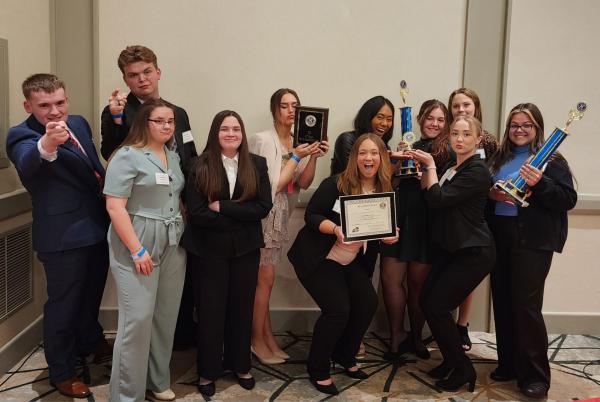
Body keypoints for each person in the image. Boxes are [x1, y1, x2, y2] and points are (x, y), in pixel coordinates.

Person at [6, 74, 110, 399]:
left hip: (97, 225)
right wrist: (48, 144)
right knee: (63, 305)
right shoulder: (21, 135)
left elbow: (93, 167)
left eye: (60, 102)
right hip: (62, 237)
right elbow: (28, 161)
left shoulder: (78, 123)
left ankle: (90, 340)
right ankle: (62, 371)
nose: (54, 111)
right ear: (28, 106)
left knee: (92, 292)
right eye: (44, 105)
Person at [101, 45, 198, 350]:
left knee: (176, 292)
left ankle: (173, 347)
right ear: (126, 80)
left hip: (177, 212)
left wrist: (190, 200)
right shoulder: (118, 111)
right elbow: (112, 155)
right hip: (142, 217)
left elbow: (189, 154)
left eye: (146, 72)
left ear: (158, 72)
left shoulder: (178, 112)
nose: (141, 79)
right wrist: (117, 120)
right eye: (133, 75)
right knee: (142, 303)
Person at [289, 133, 398, 395]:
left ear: (382, 158)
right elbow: (312, 216)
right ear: (354, 158)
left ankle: (345, 356)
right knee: (338, 310)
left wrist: (391, 235)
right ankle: (318, 369)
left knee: (367, 303)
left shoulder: (385, 189)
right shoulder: (335, 184)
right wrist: (336, 229)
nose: (368, 158)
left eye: (374, 153)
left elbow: (383, 229)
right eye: (362, 153)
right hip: (320, 258)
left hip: (350, 262)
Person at [180, 110, 272, 396]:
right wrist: (240, 216)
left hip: (245, 250)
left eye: (236, 129)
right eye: (224, 129)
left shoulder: (256, 164)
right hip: (207, 252)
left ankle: (240, 365)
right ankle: (208, 371)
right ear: (215, 133)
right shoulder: (198, 165)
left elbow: (263, 207)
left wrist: (224, 207)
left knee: (241, 309)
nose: (231, 134)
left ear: (242, 134)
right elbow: (196, 213)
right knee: (210, 311)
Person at [487, 103, 577, 399]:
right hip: (499, 236)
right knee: (502, 300)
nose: (520, 130)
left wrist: (540, 184)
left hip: (533, 240)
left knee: (526, 307)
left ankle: (536, 376)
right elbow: (486, 195)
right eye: (514, 124)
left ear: (537, 128)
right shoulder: (499, 157)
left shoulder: (552, 159)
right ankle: (509, 365)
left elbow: (567, 199)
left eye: (526, 125)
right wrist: (491, 194)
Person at [104, 99, 186, 402]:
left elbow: (174, 197)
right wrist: (137, 250)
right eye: (159, 121)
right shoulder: (126, 157)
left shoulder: (173, 158)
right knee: (137, 320)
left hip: (173, 241)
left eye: (170, 121)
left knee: (165, 316)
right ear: (144, 123)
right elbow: (114, 206)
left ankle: (157, 380)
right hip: (137, 239)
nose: (166, 126)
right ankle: (126, 395)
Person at [408, 116, 495, 392]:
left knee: (436, 306)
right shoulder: (451, 165)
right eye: (455, 133)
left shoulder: (477, 170)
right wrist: (422, 166)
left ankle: (463, 369)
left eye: (466, 134)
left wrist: (430, 165)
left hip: (473, 250)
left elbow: (438, 199)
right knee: (427, 301)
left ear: (477, 139)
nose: (459, 139)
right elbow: (429, 193)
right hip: (451, 248)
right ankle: (451, 360)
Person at [248, 88, 328, 364]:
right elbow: (273, 185)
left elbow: (303, 183)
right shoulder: (262, 140)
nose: (291, 110)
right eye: (284, 106)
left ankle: (267, 338)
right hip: (263, 217)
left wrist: (314, 156)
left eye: (295, 105)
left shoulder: (299, 141)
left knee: (265, 282)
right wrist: (294, 156)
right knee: (263, 282)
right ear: (274, 110)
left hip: (281, 215)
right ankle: (256, 341)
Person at [379, 99, 449, 361]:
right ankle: (396, 335)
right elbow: (390, 181)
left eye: (441, 119)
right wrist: (397, 161)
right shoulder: (408, 147)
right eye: (430, 118)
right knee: (390, 280)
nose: (435, 123)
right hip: (399, 216)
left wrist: (429, 176)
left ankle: (417, 336)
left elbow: (446, 194)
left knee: (418, 285)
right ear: (419, 119)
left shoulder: (450, 152)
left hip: (427, 222)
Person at [444, 87, 499, 350]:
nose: (461, 110)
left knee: (467, 277)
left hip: (477, 213)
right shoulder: (448, 137)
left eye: (466, 105)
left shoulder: (486, 140)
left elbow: (492, 174)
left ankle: (462, 325)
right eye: (456, 106)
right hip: (451, 212)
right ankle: (445, 326)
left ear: (475, 106)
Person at [330, 95, 394, 175]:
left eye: (389, 119)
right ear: (367, 117)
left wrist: (398, 163)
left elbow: (385, 181)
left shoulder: (385, 147)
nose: (385, 124)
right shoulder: (346, 139)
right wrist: (386, 157)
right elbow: (357, 175)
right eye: (380, 117)